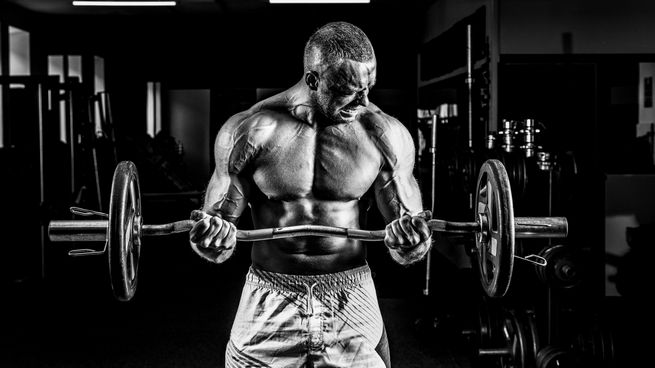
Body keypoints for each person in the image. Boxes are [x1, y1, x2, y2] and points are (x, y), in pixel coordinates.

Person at [189, 21, 432, 367]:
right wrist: (211, 239)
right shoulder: (249, 131)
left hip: (351, 298)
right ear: (313, 79)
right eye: (349, 90)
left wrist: (409, 242)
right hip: (269, 299)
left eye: (369, 88)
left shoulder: (384, 134)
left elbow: (410, 244)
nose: (363, 102)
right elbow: (218, 241)